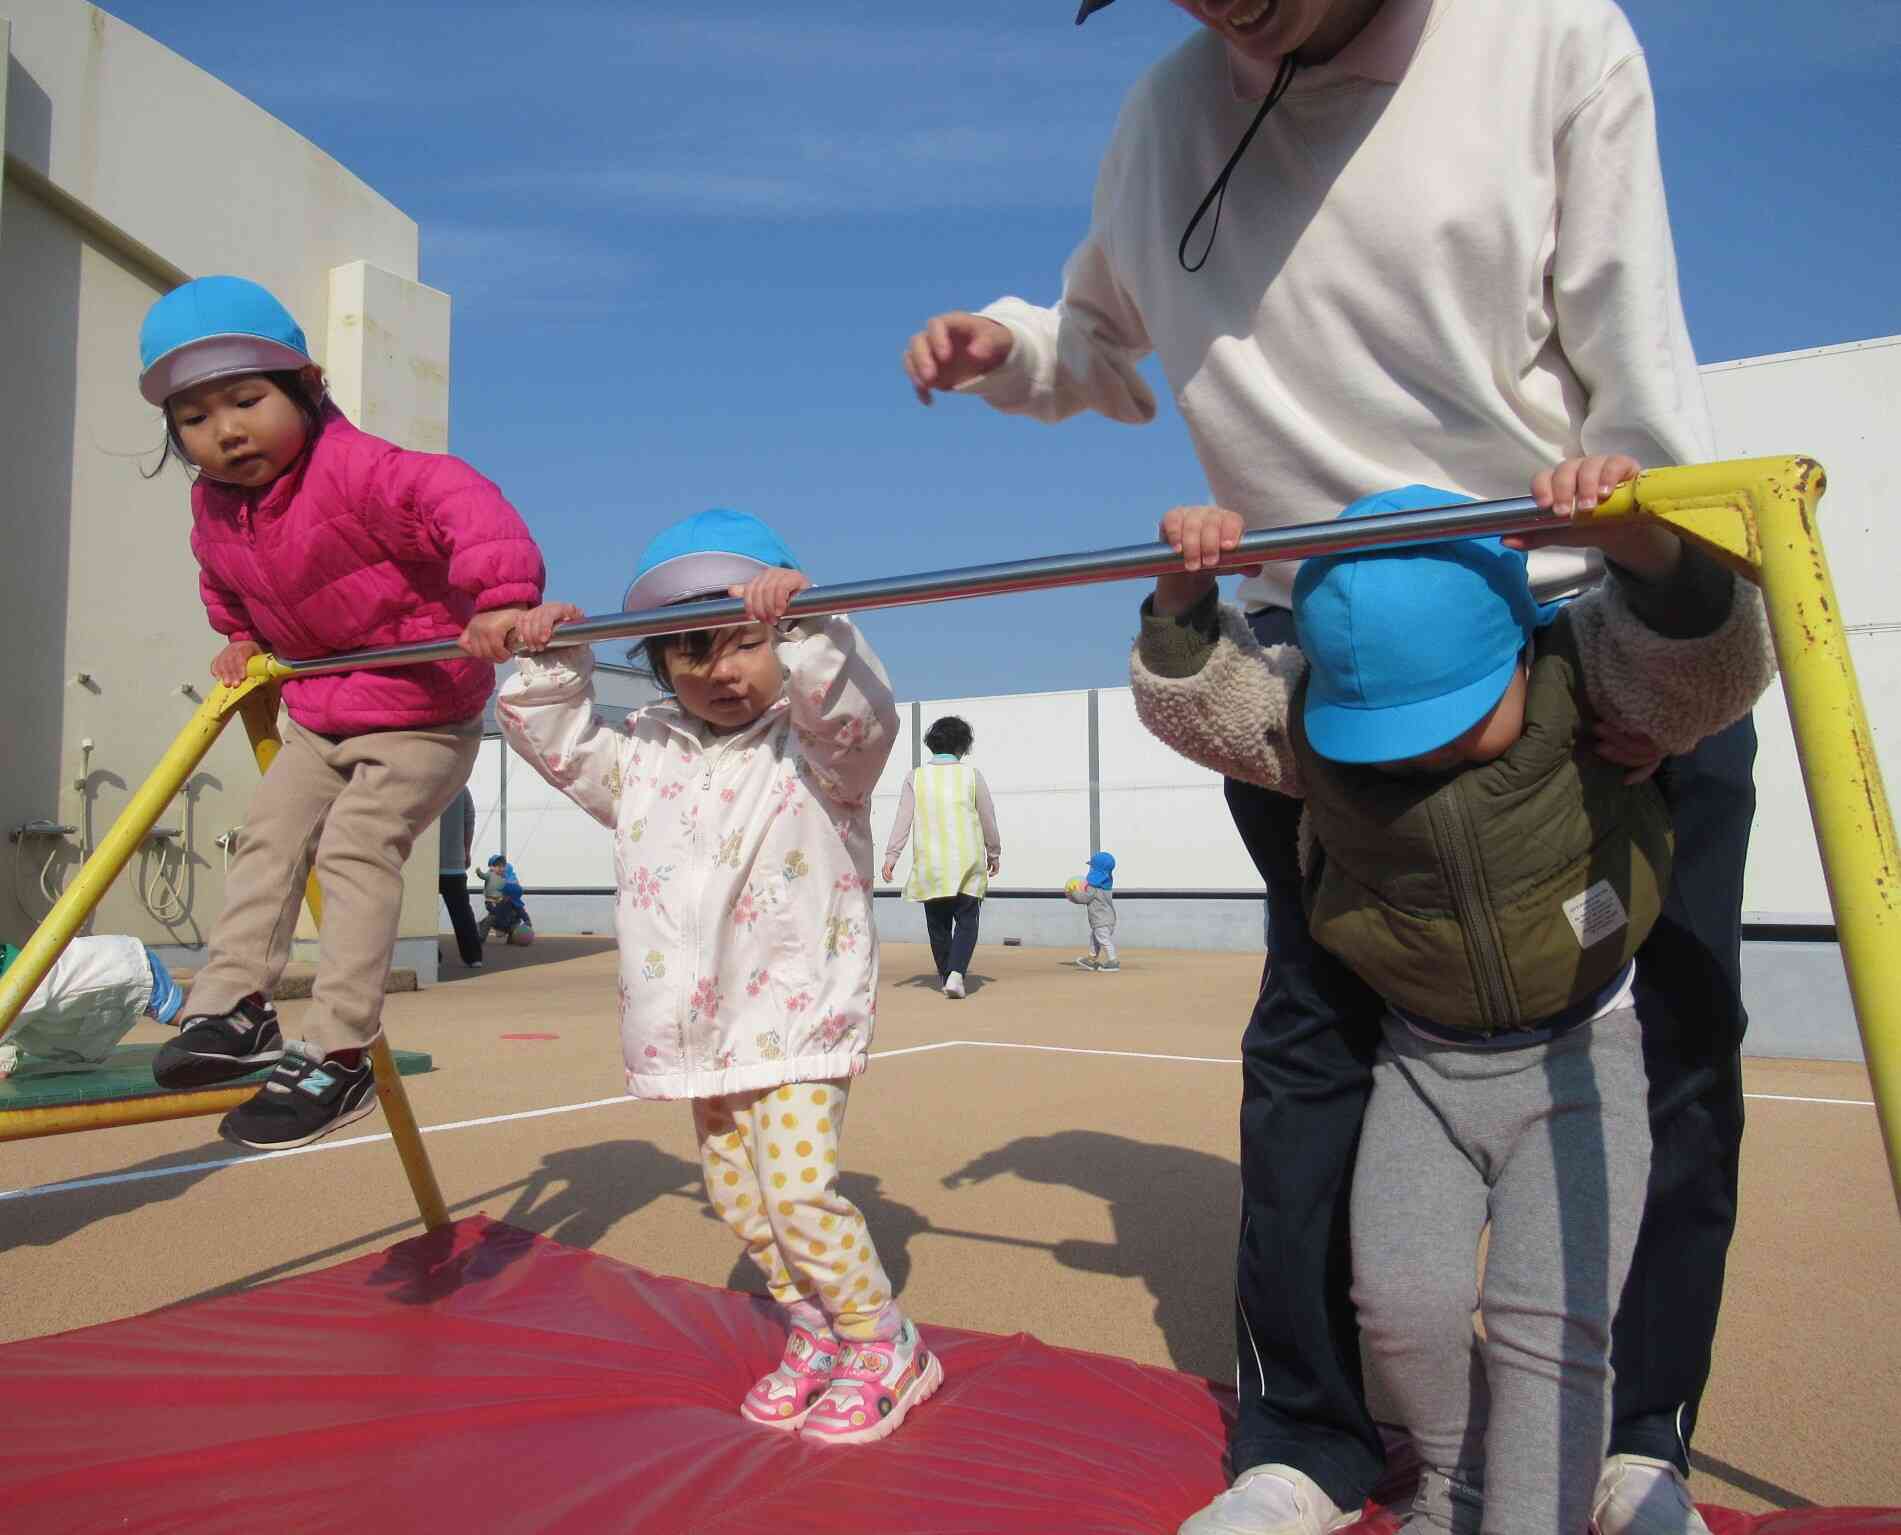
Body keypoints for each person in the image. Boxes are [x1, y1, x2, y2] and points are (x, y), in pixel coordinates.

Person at [903, 3, 1749, 1529]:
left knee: (1669, 1031)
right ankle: (1309, 1435)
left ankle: (1635, 1442)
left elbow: (1632, 342)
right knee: (1310, 1041)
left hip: (1571, 624)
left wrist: (1671, 619)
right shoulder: (1167, 109)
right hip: (1330, 666)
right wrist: (1008, 347)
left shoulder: (1545, 34)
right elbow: (1099, 342)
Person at [1132, 486, 1773, 1533]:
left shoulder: (1585, 677)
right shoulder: (1315, 731)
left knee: (1545, 1324)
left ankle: (1541, 1508)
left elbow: (1708, 659)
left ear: (1523, 648)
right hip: (1420, 1069)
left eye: (1453, 723)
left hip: (1577, 1061)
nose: (1417, 753)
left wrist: (1640, 544)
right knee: (1402, 1303)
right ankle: (1453, 1480)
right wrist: (1183, 593)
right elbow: (1201, 707)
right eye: (1384, 730)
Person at [496, 508, 943, 1445]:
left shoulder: (821, 753)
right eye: (689, 655)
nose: (721, 672)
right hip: (697, 1021)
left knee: (799, 1192)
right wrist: (549, 657)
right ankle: (816, 1330)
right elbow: (559, 744)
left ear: (778, 644)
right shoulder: (645, 756)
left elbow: (856, 711)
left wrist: (814, 628)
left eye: (744, 644)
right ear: (657, 667)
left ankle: (884, 1339)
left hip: (794, 1007)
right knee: (741, 1200)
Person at [138, 275, 545, 1150]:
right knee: (268, 838)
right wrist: (241, 636)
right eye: (195, 419)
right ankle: (234, 1005)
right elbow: (227, 579)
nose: (227, 431)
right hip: (321, 708)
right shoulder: (214, 507)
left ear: (308, 388)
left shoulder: (358, 469)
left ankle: (340, 1048)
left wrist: (500, 597)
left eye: (247, 401)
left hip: (423, 709)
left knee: (357, 845)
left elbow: (461, 499)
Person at [881, 715, 1002, 999]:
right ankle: (957, 973)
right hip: (967, 862)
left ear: (931, 744)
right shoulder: (972, 776)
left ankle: (947, 975)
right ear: (964, 746)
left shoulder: (916, 776)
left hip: (930, 864)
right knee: (967, 919)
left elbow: (903, 818)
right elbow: (988, 817)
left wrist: (891, 856)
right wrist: (993, 851)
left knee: (938, 924)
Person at [0, 936, 184, 1078]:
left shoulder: (22, 986)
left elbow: (7, 1024)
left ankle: (207, 1024)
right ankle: (204, 1008)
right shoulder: (21, 965)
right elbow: (10, 1035)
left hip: (123, 969)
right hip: (117, 965)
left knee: (176, 1013)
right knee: (177, 1008)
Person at [439, 787, 484, 968]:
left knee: (422, 913)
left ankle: (434, 956)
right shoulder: (460, 787)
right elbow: (469, 819)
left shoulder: (423, 781)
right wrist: (466, 850)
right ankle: (473, 957)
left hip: (426, 863)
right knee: (462, 912)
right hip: (454, 862)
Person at [1066, 851, 1119, 972]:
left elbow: (1083, 898)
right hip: (1108, 919)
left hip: (1101, 920)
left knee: (1103, 940)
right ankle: (1091, 959)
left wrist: (1072, 892)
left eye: (1092, 867)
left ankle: (1113, 961)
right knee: (1095, 938)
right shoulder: (1106, 885)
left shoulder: (1093, 887)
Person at [478, 854, 535, 946]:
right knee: (489, 920)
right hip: (498, 921)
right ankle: (481, 938)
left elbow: (521, 911)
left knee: (514, 930)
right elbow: (490, 906)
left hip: (510, 924)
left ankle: (512, 939)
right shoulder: (496, 897)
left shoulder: (513, 900)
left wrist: (527, 921)